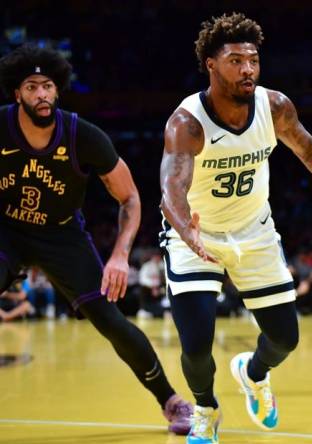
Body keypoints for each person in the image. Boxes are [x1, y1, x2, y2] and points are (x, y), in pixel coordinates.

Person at [159, 13, 312, 444]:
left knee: (285, 338)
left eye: (253, 59)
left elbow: (310, 151)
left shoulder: (274, 106)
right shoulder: (187, 123)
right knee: (195, 345)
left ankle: (254, 374)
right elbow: (170, 187)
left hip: (254, 231)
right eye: (235, 60)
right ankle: (206, 410)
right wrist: (186, 230)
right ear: (211, 65)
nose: (247, 69)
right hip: (196, 234)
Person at [0, 45, 192, 434]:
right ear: (17, 93)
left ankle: (171, 401)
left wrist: (120, 255)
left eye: (48, 86)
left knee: (108, 319)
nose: (42, 94)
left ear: (58, 90)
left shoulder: (82, 136)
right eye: (32, 87)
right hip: (7, 229)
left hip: (61, 235)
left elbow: (131, 198)